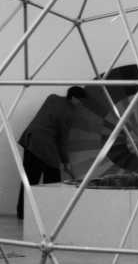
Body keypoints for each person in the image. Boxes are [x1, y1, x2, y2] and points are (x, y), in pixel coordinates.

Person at [16, 86, 86, 219]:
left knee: (29, 179)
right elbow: (62, 140)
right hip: (44, 145)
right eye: (80, 101)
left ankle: (22, 212)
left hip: (30, 140)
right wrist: (66, 162)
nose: (80, 104)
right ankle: (51, 213)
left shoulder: (52, 98)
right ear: (74, 98)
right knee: (53, 181)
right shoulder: (69, 113)